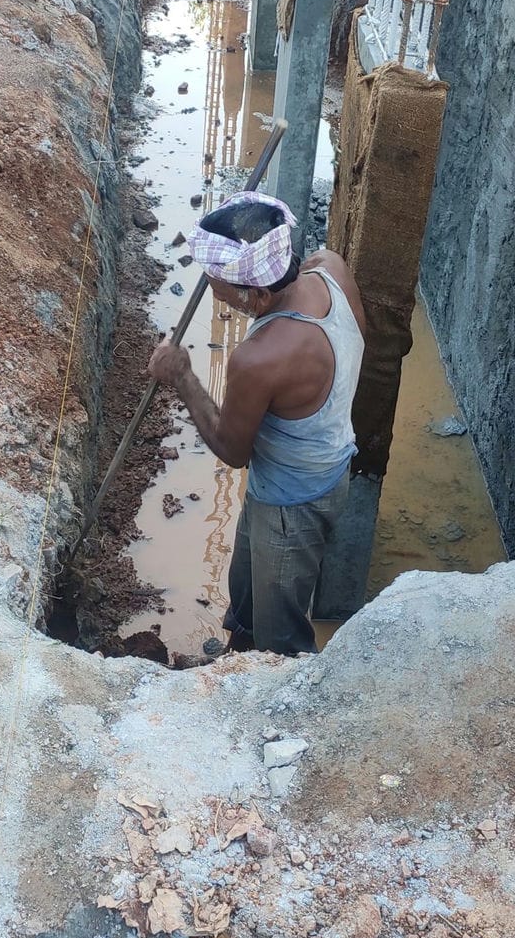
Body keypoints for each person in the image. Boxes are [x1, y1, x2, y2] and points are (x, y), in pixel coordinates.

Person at [146, 193, 366, 657]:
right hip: (318, 471)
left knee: (280, 637)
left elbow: (232, 449)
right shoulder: (330, 268)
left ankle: (274, 704)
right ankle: (237, 651)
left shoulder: (261, 357)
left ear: (259, 294)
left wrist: (182, 376)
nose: (212, 287)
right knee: (247, 590)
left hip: (292, 506)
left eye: (220, 283)